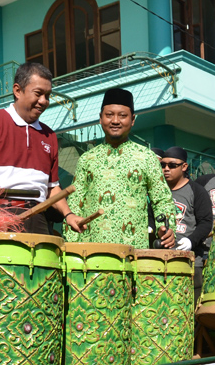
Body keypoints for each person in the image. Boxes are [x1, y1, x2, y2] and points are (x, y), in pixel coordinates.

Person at [0, 62, 73, 235]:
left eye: (48, 95)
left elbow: (52, 188)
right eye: (38, 94)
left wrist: (69, 214)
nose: (44, 101)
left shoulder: (50, 136)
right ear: (17, 90)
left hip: (37, 218)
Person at [66, 88, 176, 248]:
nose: (115, 120)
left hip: (134, 252)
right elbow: (76, 202)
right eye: (109, 115)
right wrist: (72, 245)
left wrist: (166, 228)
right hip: (92, 253)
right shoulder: (87, 159)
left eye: (122, 116)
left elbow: (162, 199)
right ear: (100, 118)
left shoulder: (146, 157)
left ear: (132, 120)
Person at [159, 146, 213, 301]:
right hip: (161, 259)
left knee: (188, 310)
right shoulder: (158, 190)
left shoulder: (196, 190)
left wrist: (191, 240)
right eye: (163, 165)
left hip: (189, 261)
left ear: (184, 166)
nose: (166, 169)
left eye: (172, 165)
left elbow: (206, 222)